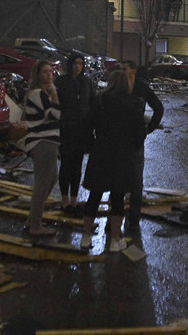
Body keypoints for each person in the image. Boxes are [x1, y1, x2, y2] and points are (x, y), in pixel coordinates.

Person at [79, 70, 144, 253]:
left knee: (94, 196)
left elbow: (86, 125)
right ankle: (115, 240)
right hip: (123, 155)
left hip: (101, 152)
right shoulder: (134, 104)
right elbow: (140, 132)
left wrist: (92, 145)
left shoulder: (100, 101)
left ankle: (86, 237)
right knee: (118, 198)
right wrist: (132, 147)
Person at [14, 61, 60, 236]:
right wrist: (54, 94)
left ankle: (33, 218)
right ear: (38, 75)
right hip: (42, 142)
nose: (49, 75)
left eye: (50, 71)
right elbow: (55, 115)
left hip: (49, 141)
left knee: (52, 179)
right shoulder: (38, 94)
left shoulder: (42, 93)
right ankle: (35, 226)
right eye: (45, 72)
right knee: (43, 184)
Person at [120, 60, 163, 235]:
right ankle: (115, 216)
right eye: (121, 69)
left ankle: (134, 218)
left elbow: (158, 108)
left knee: (136, 179)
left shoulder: (141, 88)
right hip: (118, 140)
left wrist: (148, 129)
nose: (123, 72)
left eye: (126, 69)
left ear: (134, 71)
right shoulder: (118, 87)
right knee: (118, 179)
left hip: (135, 141)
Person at [55, 53, 95, 209]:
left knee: (77, 165)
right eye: (75, 63)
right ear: (70, 64)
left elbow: (92, 102)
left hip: (81, 130)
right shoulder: (61, 82)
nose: (77, 67)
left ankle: (74, 198)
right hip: (66, 129)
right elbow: (56, 103)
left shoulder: (86, 82)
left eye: (80, 64)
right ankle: (64, 197)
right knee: (66, 164)